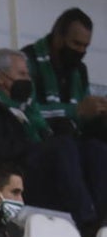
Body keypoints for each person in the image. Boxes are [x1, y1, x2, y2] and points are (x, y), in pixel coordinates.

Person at [0, 48, 105, 237]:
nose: (28, 80)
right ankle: (87, 224)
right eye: (23, 74)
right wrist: (28, 147)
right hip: (7, 181)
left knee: (93, 149)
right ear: (1, 77)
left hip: (30, 175)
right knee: (62, 146)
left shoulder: (23, 109)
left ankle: (102, 221)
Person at [23, 8, 107, 139]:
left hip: (72, 144)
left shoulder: (80, 70)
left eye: (85, 46)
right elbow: (25, 112)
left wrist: (99, 113)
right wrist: (75, 110)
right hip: (37, 143)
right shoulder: (26, 62)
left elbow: (83, 119)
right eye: (76, 43)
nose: (81, 51)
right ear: (58, 37)